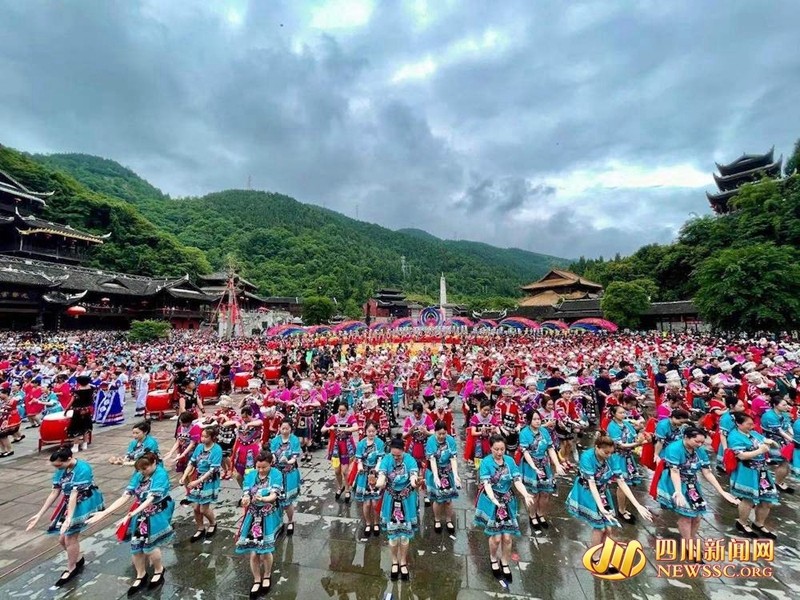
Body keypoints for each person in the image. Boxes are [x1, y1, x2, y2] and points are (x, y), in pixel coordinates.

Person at [87, 452, 174, 594]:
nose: (141, 472)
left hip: (155, 513)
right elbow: (126, 496)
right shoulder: (139, 475)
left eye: (144, 468)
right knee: (136, 546)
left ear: (154, 464)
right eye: (139, 469)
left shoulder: (160, 474)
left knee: (150, 546)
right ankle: (141, 574)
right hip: (140, 514)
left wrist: (130, 515)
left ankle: (159, 569)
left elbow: (150, 499)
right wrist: (105, 512)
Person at [565, 436, 652, 575]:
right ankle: (595, 557)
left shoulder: (611, 458)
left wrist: (637, 505)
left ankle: (602, 554)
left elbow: (621, 481)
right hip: (587, 491)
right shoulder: (587, 457)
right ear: (597, 448)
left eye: (611, 452)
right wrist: (600, 507)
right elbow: (592, 484)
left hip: (603, 491)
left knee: (609, 529)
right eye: (606, 453)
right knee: (600, 527)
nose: (609, 456)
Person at [25, 446, 105, 587]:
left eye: (59, 464)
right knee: (62, 538)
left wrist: (69, 519)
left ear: (68, 459)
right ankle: (77, 559)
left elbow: (75, 494)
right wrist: (39, 514)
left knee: (69, 537)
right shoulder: (62, 469)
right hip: (70, 502)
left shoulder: (83, 469)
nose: (58, 468)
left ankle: (71, 568)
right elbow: (55, 492)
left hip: (83, 502)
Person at [656, 427, 739, 550]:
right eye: (696, 441)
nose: (699, 445)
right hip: (675, 483)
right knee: (686, 516)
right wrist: (678, 492)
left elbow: (707, 472)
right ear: (686, 437)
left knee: (697, 516)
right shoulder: (674, 449)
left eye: (702, 442)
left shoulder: (699, 450)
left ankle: (691, 536)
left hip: (692, 484)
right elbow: (674, 472)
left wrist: (722, 491)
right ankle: (688, 542)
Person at [474, 434, 536, 583]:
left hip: (507, 501)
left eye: (502, 449)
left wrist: (526, 494)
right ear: (491, 449)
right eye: (496, 449)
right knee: (495, 538)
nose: (500, 452)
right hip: (491, 502)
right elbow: (487, 484)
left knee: (507, 537)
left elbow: (516, 480)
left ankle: (505, 562)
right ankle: (493, 558)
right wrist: (494, 499)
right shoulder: (486, 463)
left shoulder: (509, 461)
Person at [236, 451, 284, 598]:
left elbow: (274, 495)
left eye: (264, 467)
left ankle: (267, 575)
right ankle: (257, 579)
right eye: (259, 467)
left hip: (268, 514)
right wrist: (245, 499)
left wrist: (264, 499)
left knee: (265, 550)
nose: (261, 470)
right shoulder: (251, 474)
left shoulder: (276, 474)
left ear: (270, 464)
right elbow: (245, 492)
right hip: (252, 515)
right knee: (254, 549)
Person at [727, 412, 781, 539]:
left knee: (767, 500)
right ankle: (742, 522)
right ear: (738, 424)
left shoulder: (752, 433)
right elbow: (741, 455)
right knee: (748, 499)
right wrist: (759, 450)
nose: (751, 426)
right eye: (748, 424)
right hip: (747, 471)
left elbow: (762, 439)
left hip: (762, 470)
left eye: (752, 423)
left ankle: (759, 523)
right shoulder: (734, 436)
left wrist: (770, 441)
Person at [376, 435, 419, 581]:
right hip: (391, 499)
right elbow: (382, 478)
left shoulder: (410, 460)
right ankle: (394, 561)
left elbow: (413, 477)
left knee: (405, 536)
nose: (396, 458)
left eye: (398, 455)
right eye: (393, 455)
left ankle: (403, 562)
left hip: (407, 500)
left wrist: (415, 483)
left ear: (404, 451)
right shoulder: (386, 459)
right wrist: (376, 483)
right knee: (393, 537)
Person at [519, 409, 564, 535]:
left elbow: (550, 448)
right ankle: (532, 516)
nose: (538, 421)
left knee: (545, 493)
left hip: (544, 465)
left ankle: (541, 514)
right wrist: (534, 467)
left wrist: (557, 465)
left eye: (539, 419)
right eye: (534, 419)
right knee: (533, 494)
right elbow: (525, 452)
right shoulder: (524, 433)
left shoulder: (544, 432)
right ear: (529, 421)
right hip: (530, 467)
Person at [180, 426, 222, 542]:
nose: (202, 439)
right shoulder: (199, 447)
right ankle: (200, 527)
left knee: (203, 509)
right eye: (202, 436)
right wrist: (184, 477)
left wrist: (197, 481)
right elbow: (192, 462)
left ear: (213, 437)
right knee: (195, 507)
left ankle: (213, 523)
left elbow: (213, 470)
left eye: (205, 436)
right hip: (197, 478)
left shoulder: (217, 449)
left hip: (209, 480)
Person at [606, 405, 646, 523]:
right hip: (618, 457)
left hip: (628, 457)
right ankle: (621, 510)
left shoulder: (626, 424)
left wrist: (640, 438)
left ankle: (624, 507)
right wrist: (637, 445)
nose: (623, 415)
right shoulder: (612, 427)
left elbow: (635, 435)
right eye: (620, 413)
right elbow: (620, 445)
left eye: (624, 413)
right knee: (622, 484)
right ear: (613, 414)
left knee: (629, 484)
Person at [425, 419, 461, 534]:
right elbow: (432, 460)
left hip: (447, 471)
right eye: (439, 434)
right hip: (434, 470)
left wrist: (455, 475)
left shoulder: (450, 440)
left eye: (444, 434)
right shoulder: (431, 441)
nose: (441, 436)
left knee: (448, 499)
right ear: (435, 432)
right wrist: (436, 476)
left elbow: (453, 458)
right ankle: (437, 520)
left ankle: (449, 520)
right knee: (438, 499)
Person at [321, 400, 359, 502]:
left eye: (344, 410)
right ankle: (340, 486)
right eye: (340, 410)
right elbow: (322, 429)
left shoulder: (350, 417)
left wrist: (345, 429)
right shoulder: (334, 417)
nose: (342, 412)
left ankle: (347, 489)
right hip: (336, 446)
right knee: (337, 470)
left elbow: (356, 427)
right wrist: (330, 427)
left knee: (345, 471)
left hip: (346, 446)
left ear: (347, 410)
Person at [270, 418, 302, 535]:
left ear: (290, 429)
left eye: (287, 428)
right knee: (276, 499)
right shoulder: (275, 440)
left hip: (290, 474)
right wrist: (273, 457)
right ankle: (278, 522)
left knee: (287, 501)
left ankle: (290, 520)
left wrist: (288, 461)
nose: (284, 431)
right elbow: (272, 453)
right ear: (279, 428)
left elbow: (294, 457)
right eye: (282, 428)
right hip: (277, 473)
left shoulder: (294, 440)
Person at [354, 420, 386, 538]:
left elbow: (380, 458)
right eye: (369, 431)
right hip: (364, 474)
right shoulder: (361, 443)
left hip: (375, 474)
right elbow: (359, 458)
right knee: (366, 503)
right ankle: (368, 523)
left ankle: (376, 523)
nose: (371, 433)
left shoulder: (380, 443)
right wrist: (360, 466)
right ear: (365, 431)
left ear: (376, 431)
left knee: (375, 502)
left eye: (373, 431)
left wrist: (377, 469)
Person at [760, 396, 796, 493]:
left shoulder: (783, 414)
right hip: (772, 442)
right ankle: (777, 482)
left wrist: (793, 436)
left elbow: (788, 427)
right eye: (783, 405)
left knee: (785, 463)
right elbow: (779, 431)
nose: (786, 406)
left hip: (782, 441)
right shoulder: (769, 416)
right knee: (784, 462)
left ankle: (778, 481)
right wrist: (793, 440)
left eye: (786, 404)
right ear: (775, 405)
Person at [65, 375, 94, 452]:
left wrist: (66, 410)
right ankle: (84, 444)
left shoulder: (77, 392)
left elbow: (71, 402)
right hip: (87, 410)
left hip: (78, 411)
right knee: (86, 426)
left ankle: (75, 445)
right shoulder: (91, 389)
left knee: (76, 427)